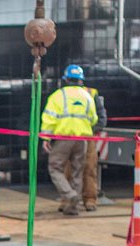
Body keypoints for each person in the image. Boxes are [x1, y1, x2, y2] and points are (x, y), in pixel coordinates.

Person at [41, 64, 98, 217]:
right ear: (81, 81)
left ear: (65, 79)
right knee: (77, 171)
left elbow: (49, 118)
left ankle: (69, 194)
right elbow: (94, 119)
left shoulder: (58, 96)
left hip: (63, 138)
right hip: (82, 139)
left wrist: (46, 137)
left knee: (55, 167)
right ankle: (73, 206)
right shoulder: (88, 96)